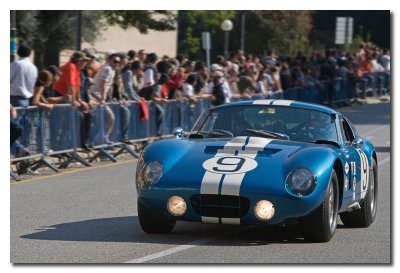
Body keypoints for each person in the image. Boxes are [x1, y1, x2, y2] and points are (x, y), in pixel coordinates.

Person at [91, 53, 121, 144]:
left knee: (103, 118)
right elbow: (103, 84)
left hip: (100, 96)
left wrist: (110, 98)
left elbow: (110, 85)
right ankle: (100, 139)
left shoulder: (113, 70)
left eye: (118, 62)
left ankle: (99, 139)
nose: (117, 64)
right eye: (115, 61)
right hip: (95, 95)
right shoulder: (107, 68)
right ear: (109, 60)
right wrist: (103, 98)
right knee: (109, 117)